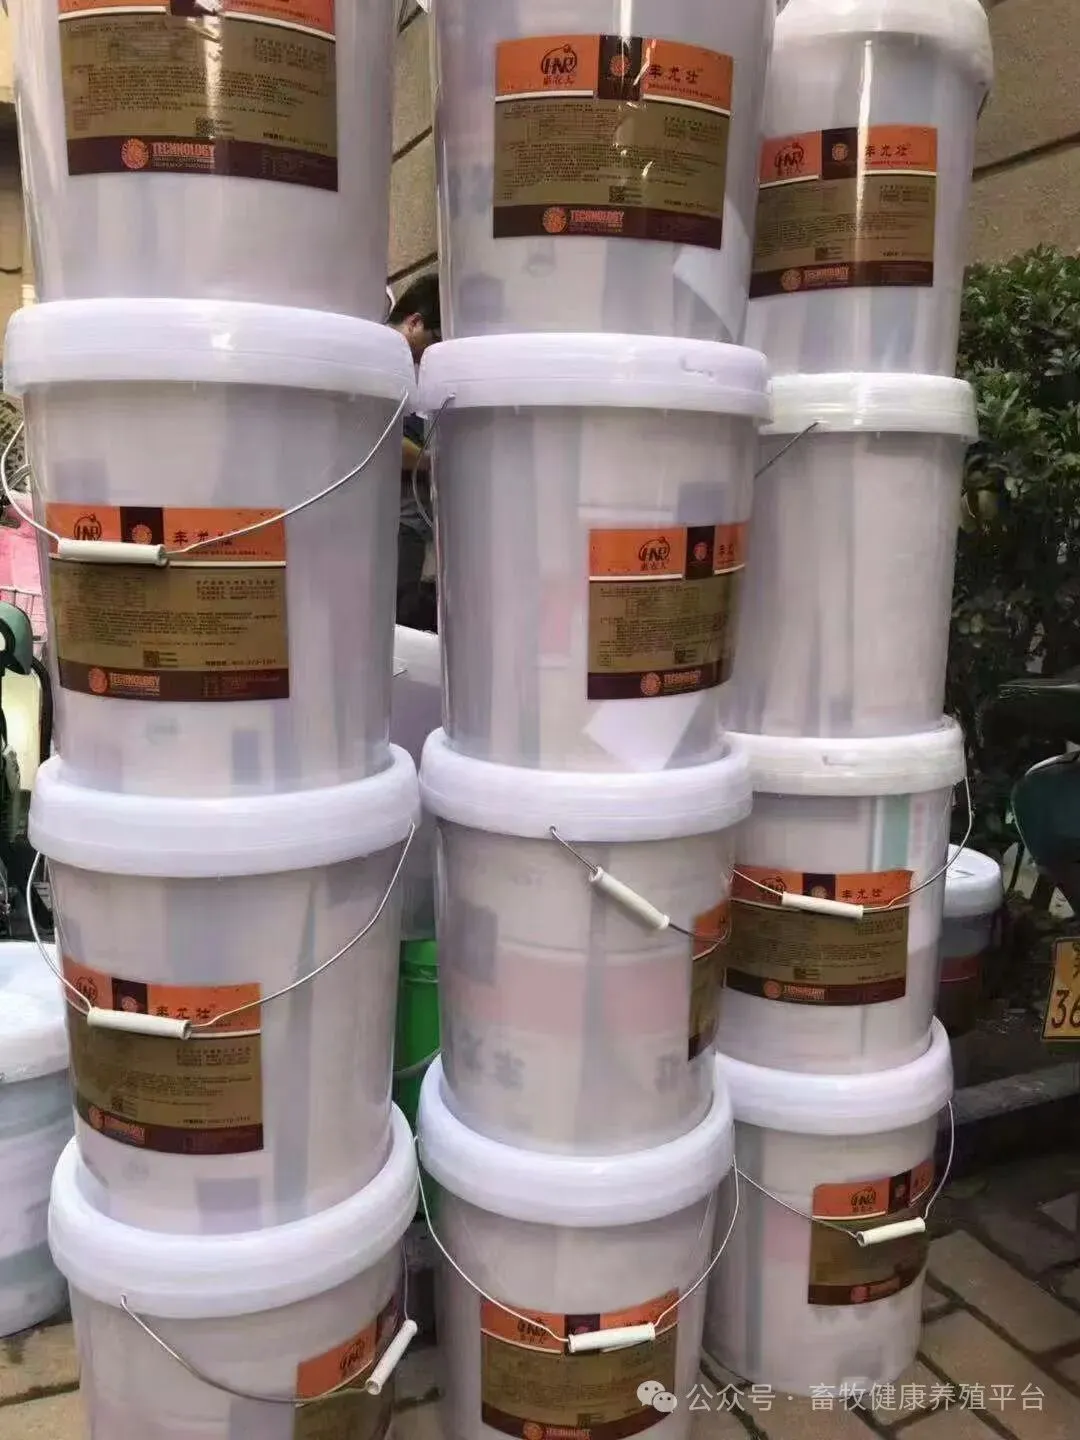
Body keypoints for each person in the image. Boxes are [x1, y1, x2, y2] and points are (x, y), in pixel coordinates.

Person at [388, 274, 441, 631]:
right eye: (434, 339)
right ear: (415, 322)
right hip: (397, 525)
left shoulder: (406, 365)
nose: (432, 351)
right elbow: (384, 440)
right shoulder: (385, 356)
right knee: (397, 616)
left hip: (409, 525)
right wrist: (433, 463)